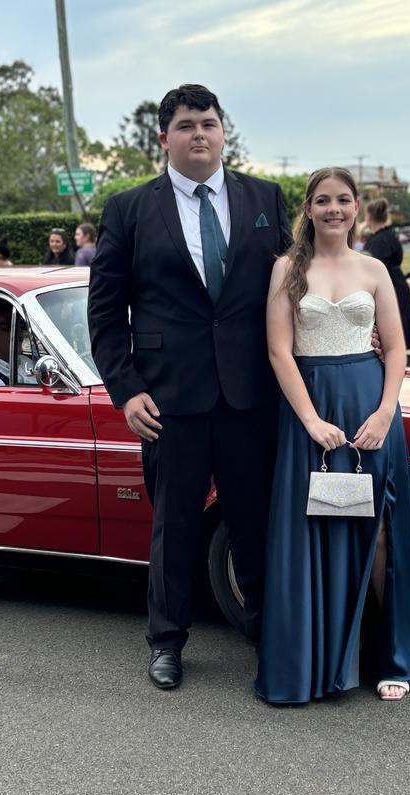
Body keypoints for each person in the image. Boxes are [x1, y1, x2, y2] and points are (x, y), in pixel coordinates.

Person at [88, 83, 292, 691]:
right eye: (185, 125)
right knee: (173, 525)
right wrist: (125, 391)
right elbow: (105, 313)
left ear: (224, 131)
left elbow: (293, 290)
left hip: (249, 395)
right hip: (167, 400)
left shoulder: (265, 199)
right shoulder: (128, 210)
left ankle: (266, 629)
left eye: (208, 122)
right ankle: (167, 641)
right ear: (164, 139)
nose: (198, 133)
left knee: (253, 520)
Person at [255, 167, 410, 704]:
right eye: (323, 200)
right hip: (310, 409)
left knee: (377, 529)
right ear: (307, 209)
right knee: (318, 527)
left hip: (368, 407)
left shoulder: (375, 269)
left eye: (344, 200)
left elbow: (399, 349)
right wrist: (310, 420)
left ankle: (389, 656)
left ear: (357, 208)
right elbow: (279, 350)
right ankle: (316, 662)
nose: (334, 209)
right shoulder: (287, 269)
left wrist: (383, 414)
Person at [363, 198, 410, 349]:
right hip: (397, 283)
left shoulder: (379, 240)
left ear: (369, 216)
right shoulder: (390, 236)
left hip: (391, 287)